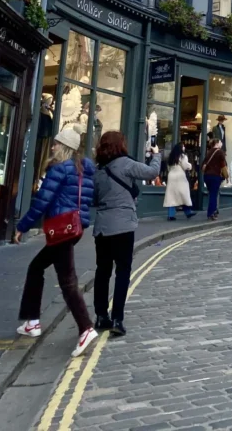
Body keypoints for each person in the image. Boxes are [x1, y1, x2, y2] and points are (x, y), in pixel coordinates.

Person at [14, 127, 98, 357]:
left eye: (56, 144)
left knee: (67, 280)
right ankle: (32, 322)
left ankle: (85, 327)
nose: (53, 147)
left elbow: (42, 202)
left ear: (65, 148)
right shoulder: (84, 171)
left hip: (61, 228)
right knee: (37, 267)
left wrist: (22, 226)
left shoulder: (59, 170)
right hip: (74, 227)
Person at [92, 131, 161, 336]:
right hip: (122, 226)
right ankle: (117, 319)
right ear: (121, 144)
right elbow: (151, 173)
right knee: (122, 272)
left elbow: (94, 199)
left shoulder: (99, 170)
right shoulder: (126, 164)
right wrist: (156, 155)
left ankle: (101, 316)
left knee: (102, 272)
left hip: (102, 227)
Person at [164, 143, 195, 220]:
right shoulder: (183, 156)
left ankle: (170, 215)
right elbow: (185, 166)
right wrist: (190, 166)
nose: (184, 147)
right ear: (180, 148)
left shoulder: (170, 157)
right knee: (183, 195)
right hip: (180, 176)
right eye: (183, 146)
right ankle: (188, 212)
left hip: (171, 176)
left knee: (172, 196)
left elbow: (168, 167)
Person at [201, 136, 227, 221]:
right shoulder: (220, 152)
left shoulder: (209, 152)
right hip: (215, 176)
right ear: (217, 143)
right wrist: (226, 176)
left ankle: (211, 211)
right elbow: (223, 165)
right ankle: (211, 213)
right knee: (213, 195)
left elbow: (203, 164)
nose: (221, 143)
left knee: (211, 194)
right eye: (220, 142)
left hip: (207, 176)